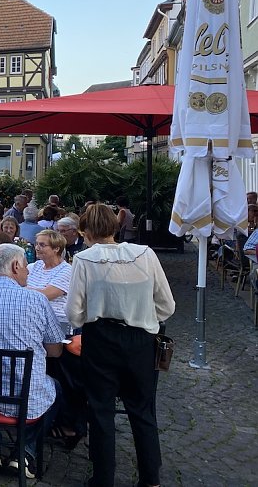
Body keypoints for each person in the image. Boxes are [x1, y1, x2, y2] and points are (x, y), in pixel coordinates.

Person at [66, 203, 175, 487]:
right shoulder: (146, 254)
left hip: (101, 338)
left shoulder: (85, 259)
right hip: (141, 339)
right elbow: (167, 304)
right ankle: (151, 478)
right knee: (142, 410)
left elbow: (74, 312)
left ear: (86, 230)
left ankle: (103, 479)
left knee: (100, 411)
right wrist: (143, 317)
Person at [0, 243, 64, 477]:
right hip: (24, 401)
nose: (28, 272)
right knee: (57, 389)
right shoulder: (36, 300)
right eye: (26, 267)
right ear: (16, 265)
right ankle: (25, 451)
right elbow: (55, 351)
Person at [28, 230, 72, 327]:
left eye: (42, 245)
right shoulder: (35, 266)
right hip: (33, 320)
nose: (37, 248)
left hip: (56, 322)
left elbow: (45, 295)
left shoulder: (67, 271)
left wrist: (19, 290)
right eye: (37, 244)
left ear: (56, 248)